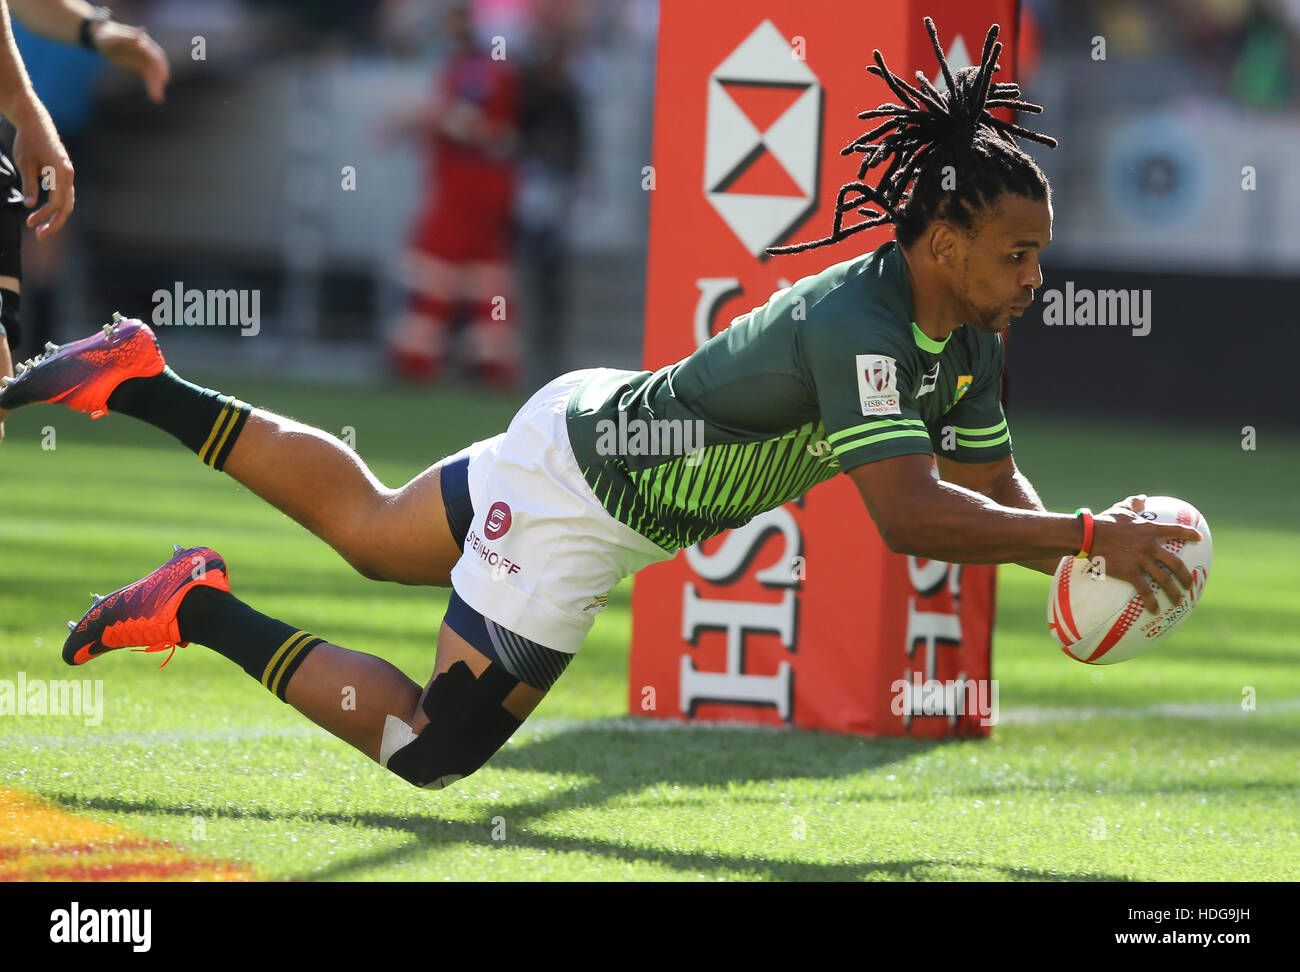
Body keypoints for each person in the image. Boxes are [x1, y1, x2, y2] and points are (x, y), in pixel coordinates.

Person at [0, 19, 1202, 791]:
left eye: (1040, 256)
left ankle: (140, 378)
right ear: (940, 239)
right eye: (1015, 254)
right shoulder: (861, 323)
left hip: (592, 429)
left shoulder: (966, 332)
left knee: (369, 531)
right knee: (431, 750)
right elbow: (909, 516)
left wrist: (1084, 568)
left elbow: (990, 489)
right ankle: (199, 609)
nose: (1034, 281)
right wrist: (1092, 540)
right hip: (590, 491)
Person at [0, 0, 169, 442]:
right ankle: (40, 349)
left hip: (39, 126)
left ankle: (40, 350)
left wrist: (98, 30)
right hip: (31, 121)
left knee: (44, 228)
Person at [386, 0, 522, 387]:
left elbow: (469, 123)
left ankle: (415, 358)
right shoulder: (487, 67)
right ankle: (493, 364)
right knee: (485, 277)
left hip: (468, 186)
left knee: (435, 269)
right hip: (482, 185)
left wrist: (416, 121)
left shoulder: (479, 67)